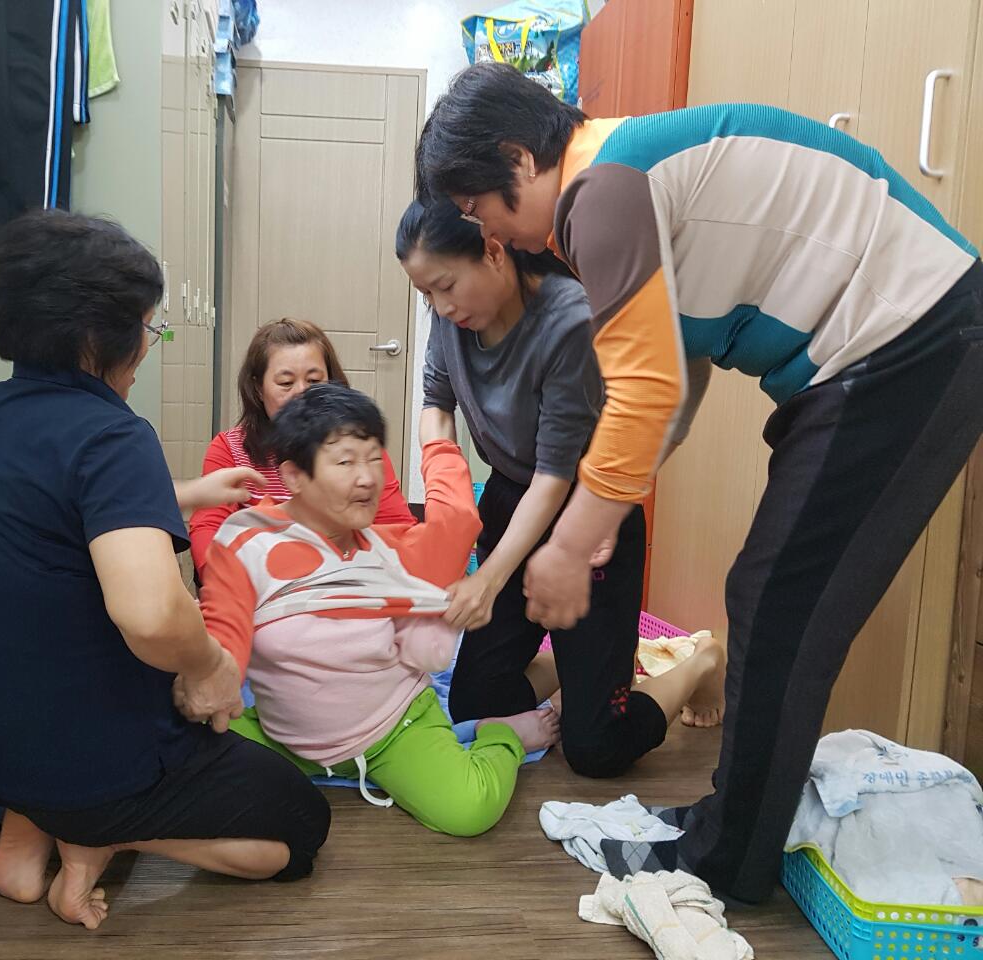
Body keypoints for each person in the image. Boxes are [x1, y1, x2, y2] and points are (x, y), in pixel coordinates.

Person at [416, 61, 983, 903]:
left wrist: (571, 544)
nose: (489, 232)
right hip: (888, 348)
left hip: (908, 339)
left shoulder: (600, 194)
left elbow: (643, 390)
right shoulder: (619, 181)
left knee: (778, 600)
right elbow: (680, 366)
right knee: (771, 596)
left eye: (478, 209)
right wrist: (609, 508)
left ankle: (727, 856)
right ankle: (731, 833)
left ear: (518, 159)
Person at [0, 210, 330, 930]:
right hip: (99, 760)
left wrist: (186, 493)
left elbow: (58, 515)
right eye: (150, 328)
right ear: (100, 338)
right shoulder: (113, 435)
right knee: (300, 824)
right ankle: (100, 834)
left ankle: (24, 848)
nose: (149, 346)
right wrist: (209, 666)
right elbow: (151, 615)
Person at [396, 197, 726, 784]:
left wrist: (486, 580)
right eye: (426, 295)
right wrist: (445, 485)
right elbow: (435, 404)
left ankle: (702, 659)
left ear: (492, 252)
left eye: (445, 286)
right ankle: (578, 668)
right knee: (473, 706)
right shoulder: (452, 318)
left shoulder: (567, 319)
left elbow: (554, 476)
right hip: (509, 502)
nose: (440, 307)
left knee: (596, 748)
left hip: (586, 511)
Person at [192, 383, 558, 837]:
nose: (367, 478)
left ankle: (503, 734)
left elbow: (457, 518)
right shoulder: (248, 541)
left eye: (373, 459)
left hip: (394, 731)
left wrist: (438, 437)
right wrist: (211, 677)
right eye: (346, 462)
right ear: (294, 476)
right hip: (281, 737)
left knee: (470, 811)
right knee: (185, 755)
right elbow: (223, 633)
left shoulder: (395, 551)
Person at [189, 318, 415, 577]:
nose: (302, 394)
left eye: (314, 381)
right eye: (286, 383)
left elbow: (398, 531)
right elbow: (208, 534)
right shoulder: (229, 449)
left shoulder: (359, 447)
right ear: (258, 389)